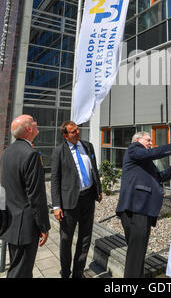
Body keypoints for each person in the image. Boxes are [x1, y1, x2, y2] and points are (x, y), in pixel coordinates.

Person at [116, 131, 171, 278]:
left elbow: (158, 178)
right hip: (136, 208)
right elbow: (151, 153)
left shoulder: (144, 162)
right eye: (148, 140)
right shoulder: (134, 149)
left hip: (143, 209)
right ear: (137, 140)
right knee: (136, 252)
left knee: (138, 251)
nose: (150, 143)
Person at [0, 115, 50, 278]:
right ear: (29, 128)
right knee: (19, 272)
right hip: (25, 227)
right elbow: (36, 196)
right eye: (33, 120)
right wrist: (43, 226)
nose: (36, 122)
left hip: (11, 223)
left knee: (20, 268)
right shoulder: (31, 154)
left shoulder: (8, 151)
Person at [51, 121, 103, 278]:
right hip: (69, 202)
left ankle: (78, 272)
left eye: (78, 130)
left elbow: (94, 169)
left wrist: (98, 189)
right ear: (65, 135)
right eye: (74, 132)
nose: (78, 133)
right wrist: (56, 206)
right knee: (66, 239)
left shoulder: (88, 146)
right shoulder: (59, 151)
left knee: (85, 237)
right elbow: (55, 179)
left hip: (88, 199)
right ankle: (65, 272)